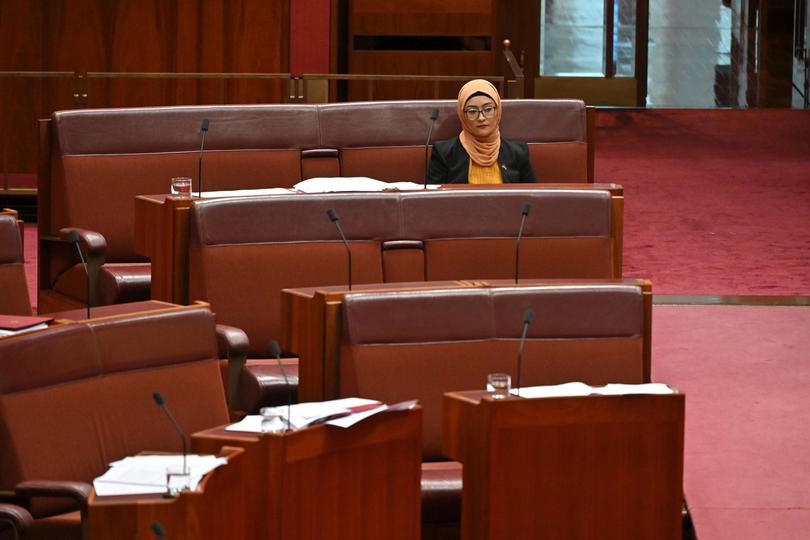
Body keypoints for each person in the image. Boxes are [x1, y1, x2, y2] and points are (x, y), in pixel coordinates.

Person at [427, 79, 537, 184]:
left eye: (488, 109)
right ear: (462, 115)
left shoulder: (518, 152)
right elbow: (432, 199)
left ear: (497, 111)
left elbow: (531, 197)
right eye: (472, 111)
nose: (481, 118)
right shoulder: (444, 153)